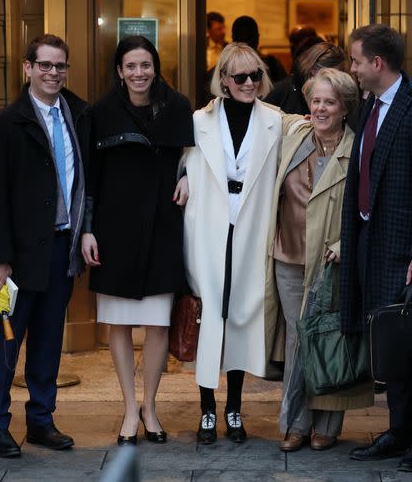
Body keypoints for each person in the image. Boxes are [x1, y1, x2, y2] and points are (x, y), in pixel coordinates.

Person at [339, 24, 412, 472]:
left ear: (377, 64)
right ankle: (398, 429)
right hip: (373, 244)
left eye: (356, 60)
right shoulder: (371, 106)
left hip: (406, 255)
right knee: (390, 346)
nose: (352, 68)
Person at [79, 36, 194, 446]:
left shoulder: (178, 107)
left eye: (145, 65)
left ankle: (151, 405)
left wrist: (187, 176)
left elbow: (194, 157)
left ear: (155, 67)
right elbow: (89, 177)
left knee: (158, 323)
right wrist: (87, 228)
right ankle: (129, 407)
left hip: (163, 225)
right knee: (120, 323)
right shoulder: (101, 113)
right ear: (119, 71)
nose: (139, 73)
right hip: (114, 229)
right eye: (131, 66)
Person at [0, 34, 87, 458]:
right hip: (19, 256)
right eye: (44, 65)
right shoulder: (6, 124)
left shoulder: (79, 114)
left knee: (47, 340)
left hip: (62, 247)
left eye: (60, 66)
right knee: (7, 340)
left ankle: (42, 420)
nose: (53, 73)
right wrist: (1, 259)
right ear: (27, 68)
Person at [265, 67, 373, 453]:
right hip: (287, 257)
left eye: (330, 102)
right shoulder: (293, 137)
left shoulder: (358, 149)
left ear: (345, 107)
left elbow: (368, 207)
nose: (321, 108)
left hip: (331, 262)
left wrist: (346, 243)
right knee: (297, 341)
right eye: (315, 100)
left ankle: (327, 424)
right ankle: (295, 422)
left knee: (329, 337)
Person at [182, 42, 283, 445]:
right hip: (208, 229)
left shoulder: (277, 120)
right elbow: (180, 163)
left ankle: (234, 408)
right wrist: (182, 178)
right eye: (239, 76)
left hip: (251, 229)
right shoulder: (197, 120)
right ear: (223, 79)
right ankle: (207, 409)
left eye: (255, 75)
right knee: (210, 322)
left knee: (241, 318)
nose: (248, 83)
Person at [265, 42, 346, 116]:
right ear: (312, 72)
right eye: (329, 75)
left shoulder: (342, 93)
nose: (336, 80)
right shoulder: (281, 92)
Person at [231, 15, 288, 83]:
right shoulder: (272, 64)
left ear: (233, 40)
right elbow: (285, 90)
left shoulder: (223, 67)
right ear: (257, 38)